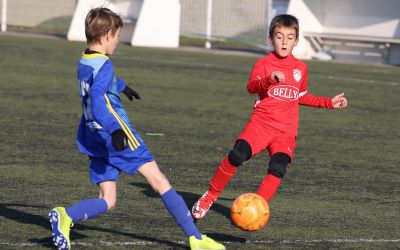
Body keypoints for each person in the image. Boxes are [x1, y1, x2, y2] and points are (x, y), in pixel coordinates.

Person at [48, 7, 225, 250]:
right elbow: (99, 100)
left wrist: (121, 86)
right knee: (159, 181)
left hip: (92, 135)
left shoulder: (85, 59)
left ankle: (66, 215)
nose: (118, 41)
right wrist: (117, 131)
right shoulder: (105, 65)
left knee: (107, 200)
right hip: (115, 134)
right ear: (108, 34)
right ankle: (196, 238)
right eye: (118, 36)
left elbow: (96, 83)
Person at [191, 14, 348, 219]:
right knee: (237, 155)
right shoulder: (263, 64)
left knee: (278, 167)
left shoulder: (301, 68)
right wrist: (268, 81)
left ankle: (255, 209)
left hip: (286, 132)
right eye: (279, 36)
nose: (284, 42)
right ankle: (210, 196)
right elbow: (251, 87)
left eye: (290, 37)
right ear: (270, 39)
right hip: (261, 125)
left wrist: (328, 102)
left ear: (297, 40)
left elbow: (301, 96)